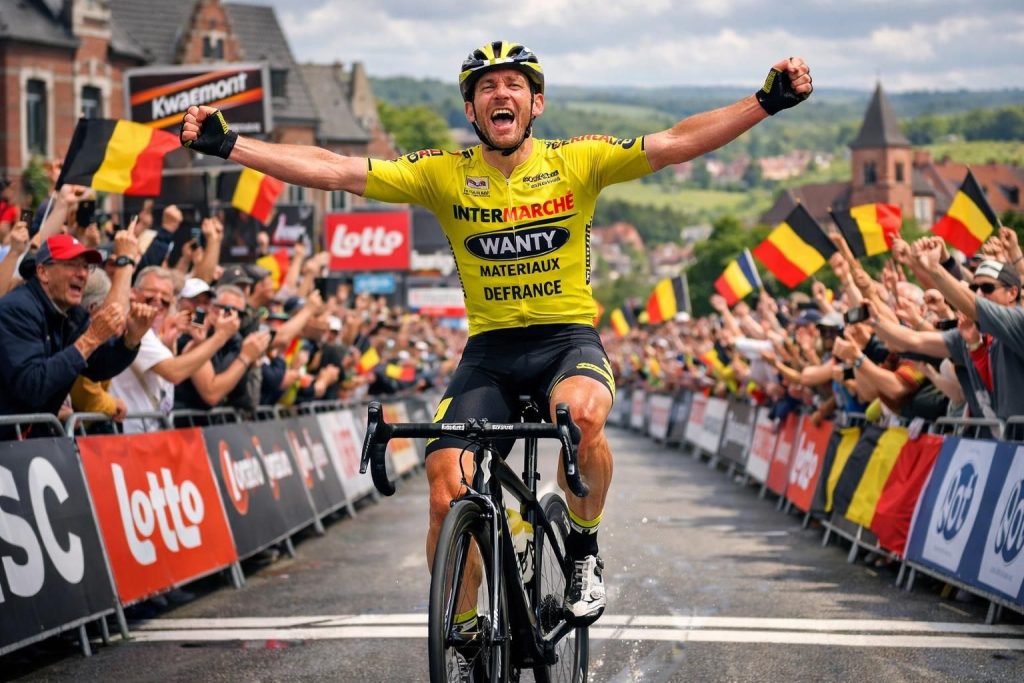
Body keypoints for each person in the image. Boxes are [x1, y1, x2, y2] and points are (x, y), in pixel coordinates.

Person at [181, 42, 812, 627]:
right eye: (486, 87)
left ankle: (585, 548)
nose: (499, 93)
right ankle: (460, 631)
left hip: (567, 342)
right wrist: (233, 145)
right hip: (489, 355)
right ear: (470, 109)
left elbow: (676, 140)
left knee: (580, 416)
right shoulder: (443, 173)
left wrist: (766, 102)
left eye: (513, 84)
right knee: (444, 488)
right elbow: (336, 169)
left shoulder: (577, 161)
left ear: (535, 104)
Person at [0, 234, 154, 437]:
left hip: (32, 439)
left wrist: (131, 339)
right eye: (72, 265)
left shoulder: (73, 314)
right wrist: (90, 339)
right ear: (43, 272)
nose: (82, 274)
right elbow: (32, 385)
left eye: (86, 267)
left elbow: (99, 367)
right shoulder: (17, 309)